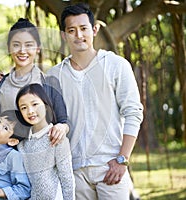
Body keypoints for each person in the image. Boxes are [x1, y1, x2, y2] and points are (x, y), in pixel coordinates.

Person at [46, 3, 144, 200]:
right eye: (71, 30)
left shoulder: (116, 66)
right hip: (73, 172)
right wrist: (3, 81)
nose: (78, 35)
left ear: (94, 30)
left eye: (83, 29)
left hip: (110, 168)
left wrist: (122, 160)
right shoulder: (53, 76)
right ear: (64, 35)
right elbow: (36, 108)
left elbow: (133, 113)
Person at [0, 18, 69, 168]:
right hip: (5, 163)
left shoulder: (49, 83)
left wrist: (61, 128)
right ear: (9, 48)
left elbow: (63, 121)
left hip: (41, 164)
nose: (22, 51)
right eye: (16, 45)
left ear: (38, 48)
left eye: (29, 45)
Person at [15, 83, 75, 200]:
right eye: (24, 107)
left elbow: (67, 179)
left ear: (46, 105)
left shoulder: (57, 138)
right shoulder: (22, 144)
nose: (30, 111)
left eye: (35, 104)